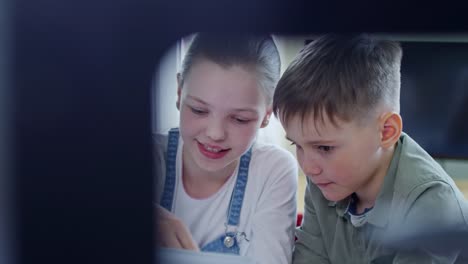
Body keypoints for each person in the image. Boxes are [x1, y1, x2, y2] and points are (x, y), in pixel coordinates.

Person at [272, 33, 468, 263]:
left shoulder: (432, 205)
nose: (308, 167)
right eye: (298, 145)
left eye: (324, 148)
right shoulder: (325, 182)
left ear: (386, 131)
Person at [154, 33, 298, 264]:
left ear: (267, 115)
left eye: (240, 119)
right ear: (180, 93)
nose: (215, 133)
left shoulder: (272, 171)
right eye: (199, 110)